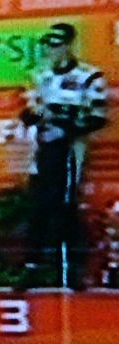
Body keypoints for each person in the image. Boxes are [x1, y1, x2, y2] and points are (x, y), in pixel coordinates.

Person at [21, 23, 109, 290]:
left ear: (70, 45)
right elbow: (27, 113)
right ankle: (32, 268)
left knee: (66, 206)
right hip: (42, 149)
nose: (53, 50)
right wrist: (37, 117)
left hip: (70, 150)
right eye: (49, 45)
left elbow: (98, 118)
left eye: (58, 44)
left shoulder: (89, 76)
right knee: (38, 205)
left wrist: (65, 128)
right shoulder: (40, 76)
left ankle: (69, 271)